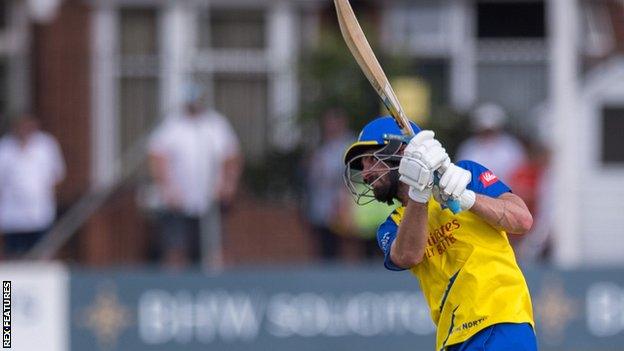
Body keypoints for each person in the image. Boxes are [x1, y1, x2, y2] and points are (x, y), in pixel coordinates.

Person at [343, 116, 537, 350]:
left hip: (501, 320)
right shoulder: (391, 225)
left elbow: (522, 220)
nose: (365, 174)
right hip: (452, 338)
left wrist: (469, 198)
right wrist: (419, 192)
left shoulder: (466, 174)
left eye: (371, 160)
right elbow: (408, 256)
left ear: (400, 151)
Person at [147, 83, 242, 269]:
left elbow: (231, 156)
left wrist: (228, 184)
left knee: (217, 249)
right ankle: (173, 291)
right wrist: (167, 188)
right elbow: (157, 157)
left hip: (210, 201)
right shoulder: (172, 126)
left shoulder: (216, 124)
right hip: (178, 203)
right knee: (176, 249)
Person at [0, 115, 66, 258]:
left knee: (41, 254)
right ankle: (8, 282)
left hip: (40, 213)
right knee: (14, 256)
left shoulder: (46, 145)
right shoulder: (4, 148)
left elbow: (57, 175)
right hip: (12, 216)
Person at [303, 108, 354, 260]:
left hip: (342, 205)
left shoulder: (349, 144)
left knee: (342, 247)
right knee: (323, 248)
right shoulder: (321, 145)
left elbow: (348, 175)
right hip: (320, 206)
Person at [456, 103, 527, 183]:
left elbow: (520, 174)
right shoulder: (468, 148)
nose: (488, 134)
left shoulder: (511, 147)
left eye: (491, 131)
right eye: (484, 130)